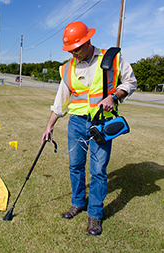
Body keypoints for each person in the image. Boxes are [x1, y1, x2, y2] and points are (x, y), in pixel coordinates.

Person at [42, 21, 137, 236]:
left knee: (98, 171)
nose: (74, 54)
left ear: (88, 41)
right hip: (76, 122)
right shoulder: (67, 68)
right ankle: (78, 203)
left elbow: (130, 83)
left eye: (77, 49)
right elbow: (60, 102)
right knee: (75, 166)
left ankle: (94, 215)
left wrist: (114, 96)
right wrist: (49, 127)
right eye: (70, 50)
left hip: (101, 124)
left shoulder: (111, 58)